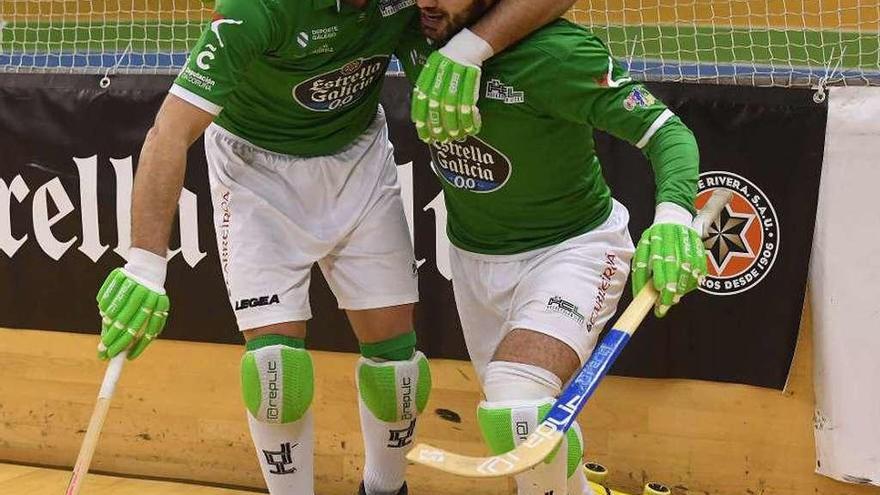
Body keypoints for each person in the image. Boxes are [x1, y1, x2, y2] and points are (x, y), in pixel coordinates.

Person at [93, 0, 582, 494]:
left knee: (397, 376)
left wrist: (470, 49)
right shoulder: (255, 8)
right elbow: (170, 130)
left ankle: (385, 490)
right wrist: (145, 263)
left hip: (357, 160)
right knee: (275, 376)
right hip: (254, 172)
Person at [409, 1, 708, 493]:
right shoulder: (416, 28)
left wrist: (674, 216)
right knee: (528, 430)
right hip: (472, 258)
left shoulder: (557, 54)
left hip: (573, 251)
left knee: (516, 408)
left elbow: (666, 133)